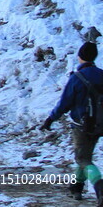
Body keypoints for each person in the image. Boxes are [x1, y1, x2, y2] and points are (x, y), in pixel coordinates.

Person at [42, 41, 103, 204]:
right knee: (85, 156)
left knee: (82, 159)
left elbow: (64, 103)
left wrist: (51, 119)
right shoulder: (101, 74)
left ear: (80, 56)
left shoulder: (77, 77)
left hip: (82, 125)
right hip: (100, 124)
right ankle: (76, 187)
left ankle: (100, 187)